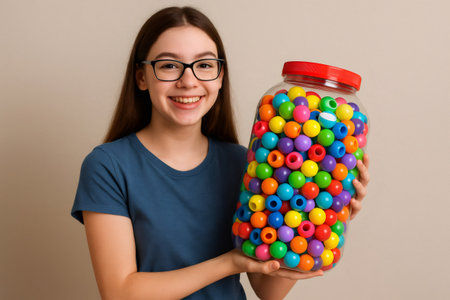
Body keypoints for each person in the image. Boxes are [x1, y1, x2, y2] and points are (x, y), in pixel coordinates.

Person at [71, 6, 370, 300]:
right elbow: (119, 293)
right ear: (141, 78)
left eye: (204, 65)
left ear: (220, 76)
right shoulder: (108, 166)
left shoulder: (244, 162)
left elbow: (267, 289)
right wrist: (229, 262)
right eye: (168, 65)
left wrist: (321, 217)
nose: (188, 81)